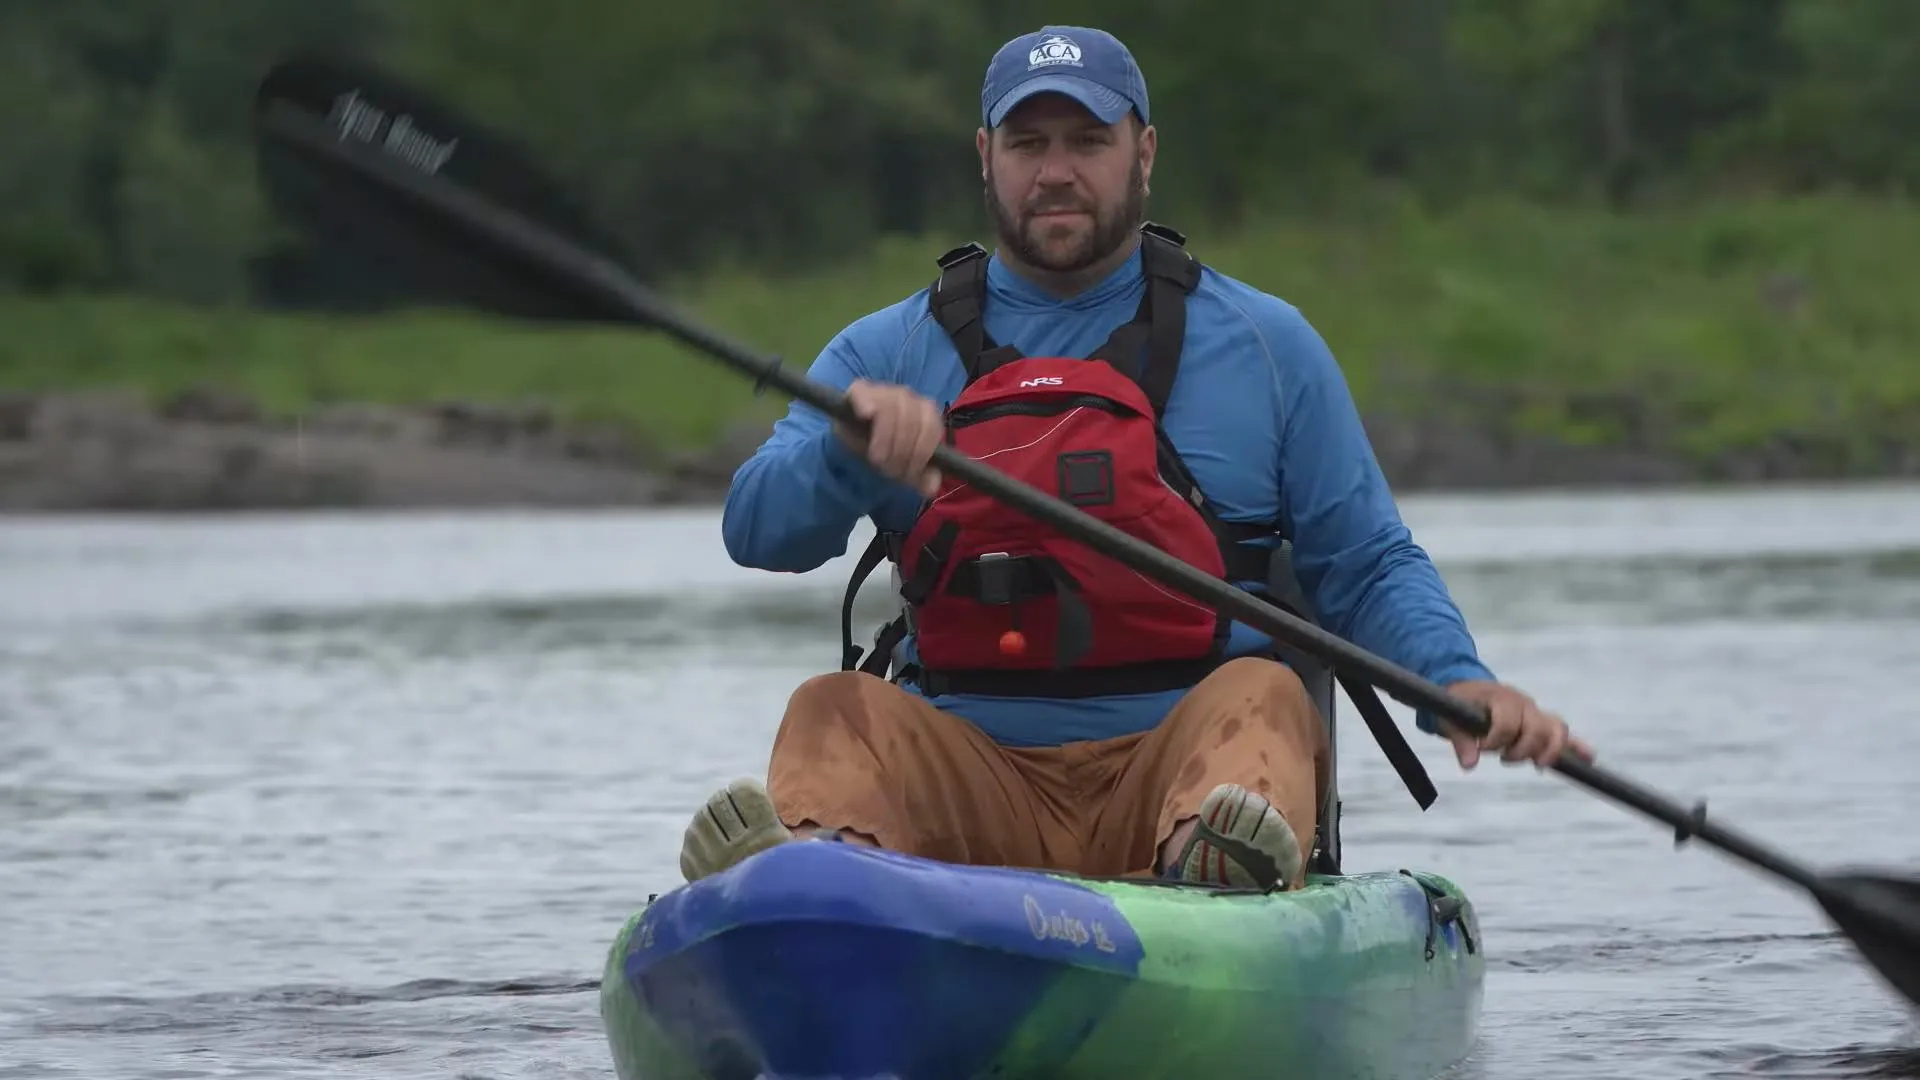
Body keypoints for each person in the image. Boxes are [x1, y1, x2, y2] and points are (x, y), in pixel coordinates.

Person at [678, 24, 1594, 892]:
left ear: (1144, 152)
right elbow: (757, 530)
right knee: (835, 707)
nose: (1057, 172)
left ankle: (1218, 871)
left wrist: (1457, 681)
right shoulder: (881, 356)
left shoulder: (1267, 345)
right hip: (966, 784)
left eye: (1088, 139)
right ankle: (798, 882)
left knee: (1266, 694)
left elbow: (1364, 562)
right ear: (985, 157)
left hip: (1184, 775)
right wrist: (845, 452)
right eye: (1029, 143)